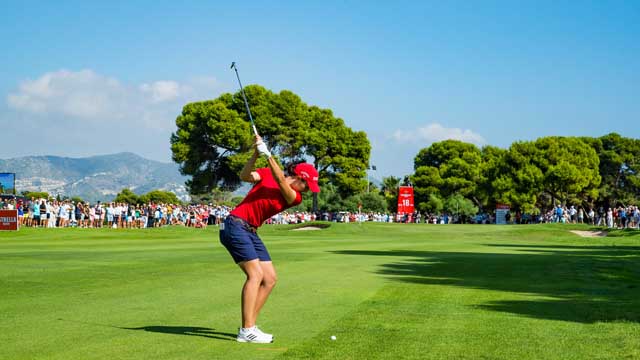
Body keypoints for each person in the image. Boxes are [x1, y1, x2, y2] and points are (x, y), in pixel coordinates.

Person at [219, 135, 320, 344]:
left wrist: (268, 154)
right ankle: (247, 330)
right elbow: (245, 175)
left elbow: (282, 181)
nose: (308, 191)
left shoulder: (294, 196)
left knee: (270, 278)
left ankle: (250, 327)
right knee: (255, 275)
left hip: (250, 230)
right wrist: (257, 154)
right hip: (235, 225)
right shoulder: (267, 174)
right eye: (307, 186)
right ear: (300, 178)